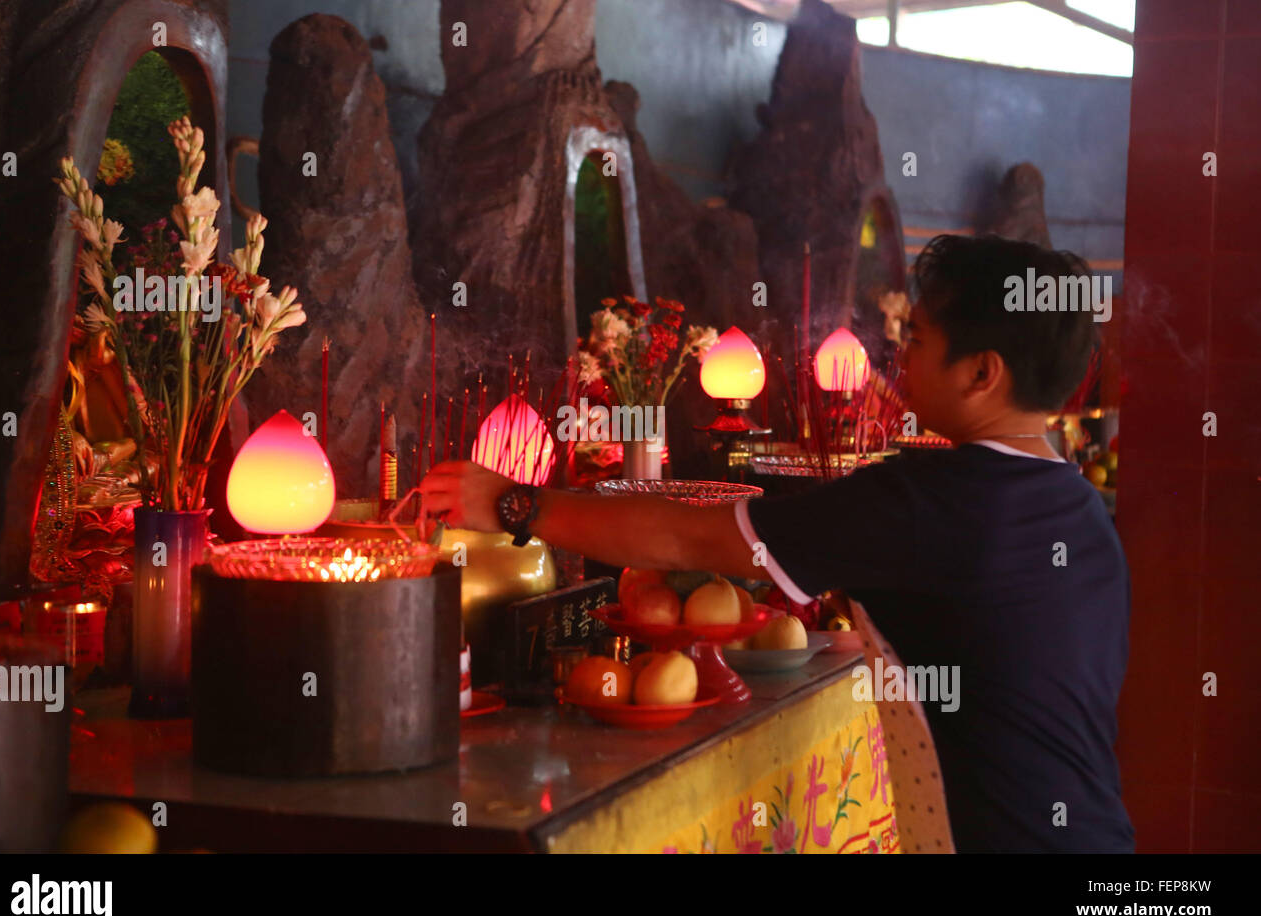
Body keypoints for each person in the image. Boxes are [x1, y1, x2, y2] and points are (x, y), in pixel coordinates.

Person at [422, 235, 1135, 854]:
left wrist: (513, 502)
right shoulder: (1078, 506)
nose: (898, 356)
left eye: (915, 339)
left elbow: (686, 535)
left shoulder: (935, 501)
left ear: (983, 373)